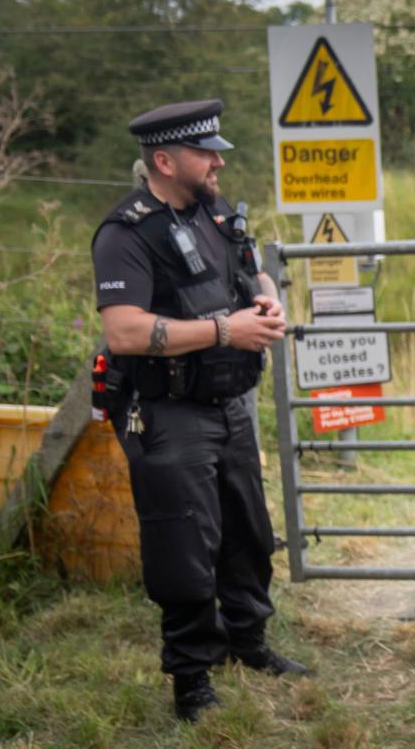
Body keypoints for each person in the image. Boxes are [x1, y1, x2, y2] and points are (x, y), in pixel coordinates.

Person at [91, 99, 309, 722]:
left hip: (230, 404)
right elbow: (126, 332)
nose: (218, 160)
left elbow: (252, 274)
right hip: (168, 410)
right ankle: (191, 680)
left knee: (247, 533)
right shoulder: (124, 235)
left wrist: (265, 304)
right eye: (204, 152)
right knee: (183, 545)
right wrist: (224, 331)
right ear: (164, 160)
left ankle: (249, 642)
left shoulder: (214, 212)